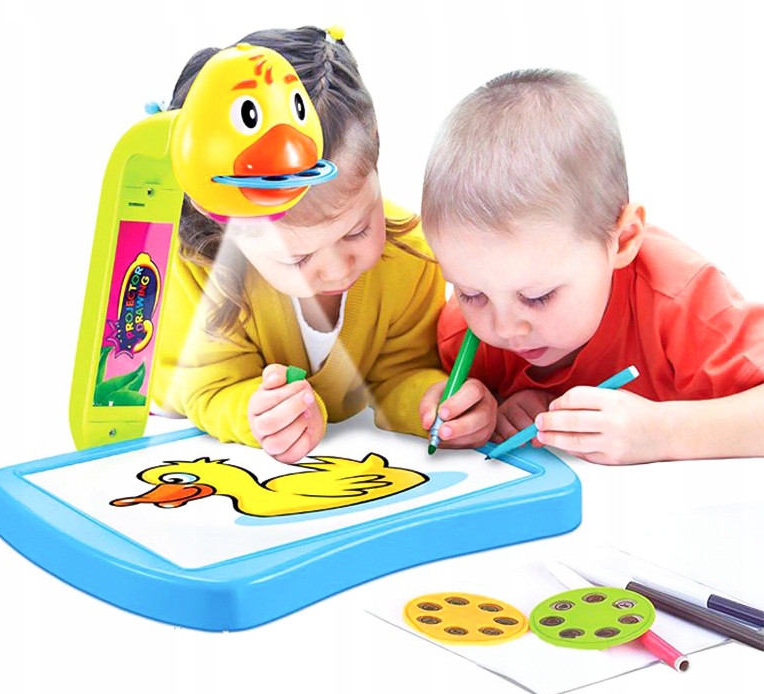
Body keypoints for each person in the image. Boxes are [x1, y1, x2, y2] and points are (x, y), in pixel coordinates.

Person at [151, 26, 497, 463]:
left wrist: (432, 403)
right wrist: (256, 414)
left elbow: (400, 370)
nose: (337, 269)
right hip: (164, 425)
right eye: (296, 257)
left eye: (357, 230)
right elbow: (211, 387)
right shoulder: (203, 268)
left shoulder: (411, 256)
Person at [419, 68, 764, 464]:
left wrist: (663, 433)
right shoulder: (467, 331)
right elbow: (434, 385)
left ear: (624, 239)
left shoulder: (681, 302)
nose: (505, 328)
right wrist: (489, 407)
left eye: (538, 297)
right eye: (471, 294)